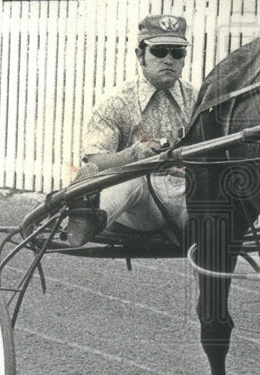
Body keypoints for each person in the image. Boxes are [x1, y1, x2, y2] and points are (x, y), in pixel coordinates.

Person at [65, 14, 196, 246]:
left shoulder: (197, 99)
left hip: (185, 196)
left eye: (177, 52)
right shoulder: (117, 101)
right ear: (140, 55)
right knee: (132, 179)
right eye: (159, 51)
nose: (169, 59)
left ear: (184, 58)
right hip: (137, 205)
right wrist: (132, 155)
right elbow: (95, 159)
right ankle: (86, 220)